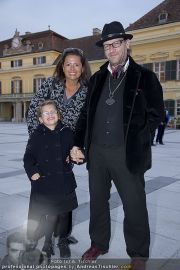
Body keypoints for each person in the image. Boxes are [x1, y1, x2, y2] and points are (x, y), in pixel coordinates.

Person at [71, 21, 164, 269]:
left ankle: (138, 254)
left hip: (127, 154)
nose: (111, 50)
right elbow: (84, 115)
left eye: (116, 44)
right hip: (97, 152)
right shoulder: (98, 78)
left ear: (127, 44)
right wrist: (78, 144)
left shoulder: (145, 76)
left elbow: (156, 113)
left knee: (134, 205)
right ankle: (98, 243)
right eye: (107, 46)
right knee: (98, 202)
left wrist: (139, 137)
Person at [26, 48, 91, 249]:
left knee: (65, 191)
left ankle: (62, 234)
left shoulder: (88, 91)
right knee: (40, 193)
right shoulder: (49, 84)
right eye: (68, 64)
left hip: (66, 150)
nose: (72, 68)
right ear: (62, 66)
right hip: (43, 148)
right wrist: (38, 142)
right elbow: (33, 112)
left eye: (76, 64)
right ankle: (34, 233)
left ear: (82, 67)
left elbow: (87, 123)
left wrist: (78, 149)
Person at [23, 100, 78, 259]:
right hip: (45, 181)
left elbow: (75, 151)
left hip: (64, 181)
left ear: (58, 114)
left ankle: (63, 240)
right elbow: (28, 157)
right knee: (49, 214)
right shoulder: (36, 135)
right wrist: (32, 172)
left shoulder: (67, 132)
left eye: (52, 112)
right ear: (40, 119)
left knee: (65, 213)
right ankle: (47, 241)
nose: (50, 115)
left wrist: (76, 156)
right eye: (46, 113)